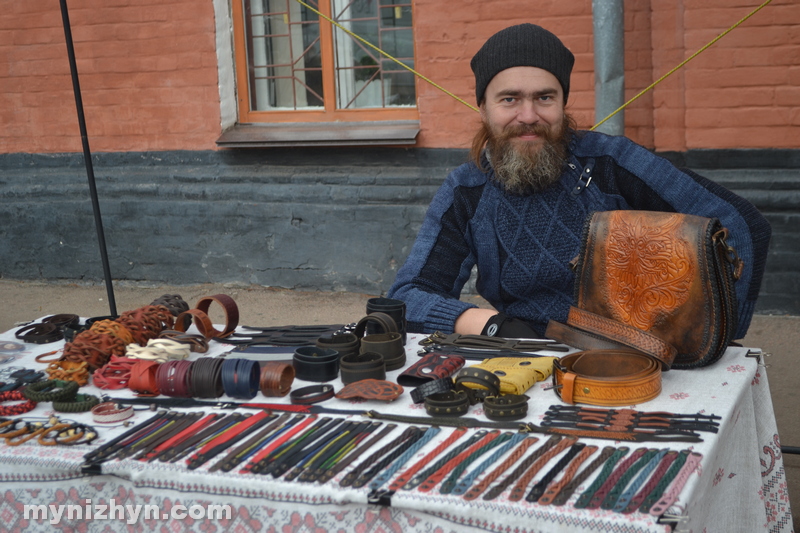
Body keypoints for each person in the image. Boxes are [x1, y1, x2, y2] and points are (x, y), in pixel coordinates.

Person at [387, 23, 771, 340]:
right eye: (509, 99)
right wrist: (490, 324)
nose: (528, 115)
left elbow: (741, 226)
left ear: (563, 103)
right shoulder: (465, 191)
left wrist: (709, 337)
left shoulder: (612, 163)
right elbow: (407, 298)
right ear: (483, 107)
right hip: (522, 357)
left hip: (632, 359)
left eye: (544, 97)